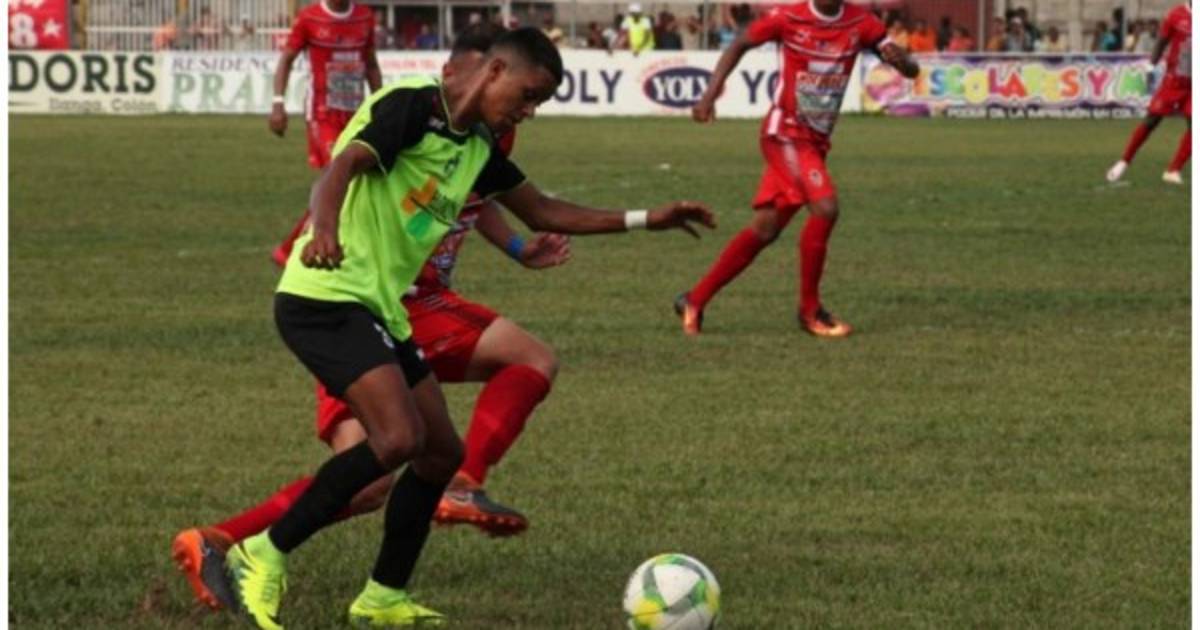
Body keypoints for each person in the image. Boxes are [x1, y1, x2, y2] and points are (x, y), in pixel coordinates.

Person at [197, 27, 715, 630]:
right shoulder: (415, 106)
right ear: (495, 71)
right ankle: (261, 553)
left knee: (441, 452)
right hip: (326, 299)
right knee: (396, 440)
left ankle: (382, 597)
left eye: (539, 103)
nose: (528, 111)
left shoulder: (477, 148)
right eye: (528, 95)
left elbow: (542, 210)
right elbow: (342, 166)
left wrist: (648, 218)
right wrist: (327, 229)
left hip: (380, 310)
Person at [675, 0, 918, 337]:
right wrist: (710, 95)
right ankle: (810, 311)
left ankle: (694, 299)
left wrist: (904, 62)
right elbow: (739, 43)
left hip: (815, 143)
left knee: (765, 230)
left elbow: (909, 69)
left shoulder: (863, 23)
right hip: (785, 134)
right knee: (825, 208)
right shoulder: (787, 17)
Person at [269, 0, 381, 267]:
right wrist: (277, 103)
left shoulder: (364, 16)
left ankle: (289, 250)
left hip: (356, 114)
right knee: (339, 176)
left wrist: (381, 105)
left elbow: (371, 65)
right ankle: (319, 244)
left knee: (348, 181)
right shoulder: (310, 18)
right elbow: (286, 59)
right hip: (323, 114)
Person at [1107, 1, 1191, 186]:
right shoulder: (1176, 15)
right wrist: (1151, 65)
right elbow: (1162, 41)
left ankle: (1173, 170)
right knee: (1152, 120)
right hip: (1174, 81)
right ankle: (1124, 162)